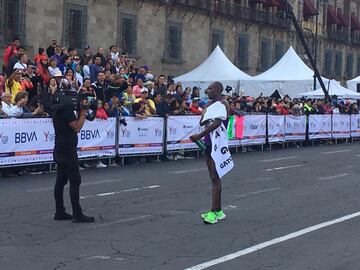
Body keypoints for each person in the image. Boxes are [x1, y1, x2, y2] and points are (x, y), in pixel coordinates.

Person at [190, 82, 233, 224]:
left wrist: (199, 136)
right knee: (213, 177)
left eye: (210, 88)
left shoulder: (224, 103)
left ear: (218, 90)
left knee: (215, 177)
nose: (207, 90)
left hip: (218, 143)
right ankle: (218, 210)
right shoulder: (209, 105)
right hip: (209, 143)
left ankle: (212, 212)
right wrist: (205, 111)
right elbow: (203, 122)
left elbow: (217, 123)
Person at [52, 93, 95, 223]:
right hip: (67, 150)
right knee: (75, 180)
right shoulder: (67, 111)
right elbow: (76, 127)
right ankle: (77, 213)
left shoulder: (58, 110)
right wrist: (82, 113)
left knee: (61, 180)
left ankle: (59, 211)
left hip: (60, 148)